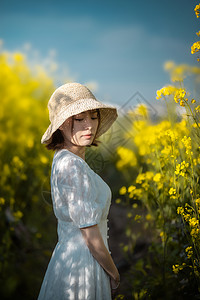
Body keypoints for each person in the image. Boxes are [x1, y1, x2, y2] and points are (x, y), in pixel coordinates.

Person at [38, 82, 120, 300]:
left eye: (93, 117)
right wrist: (114, 273)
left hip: (77, 260)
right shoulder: (71, 165)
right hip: (82, 267)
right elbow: (90, 235)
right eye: (80, 119)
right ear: (63, 124)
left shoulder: (66, 160)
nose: (90, 125)